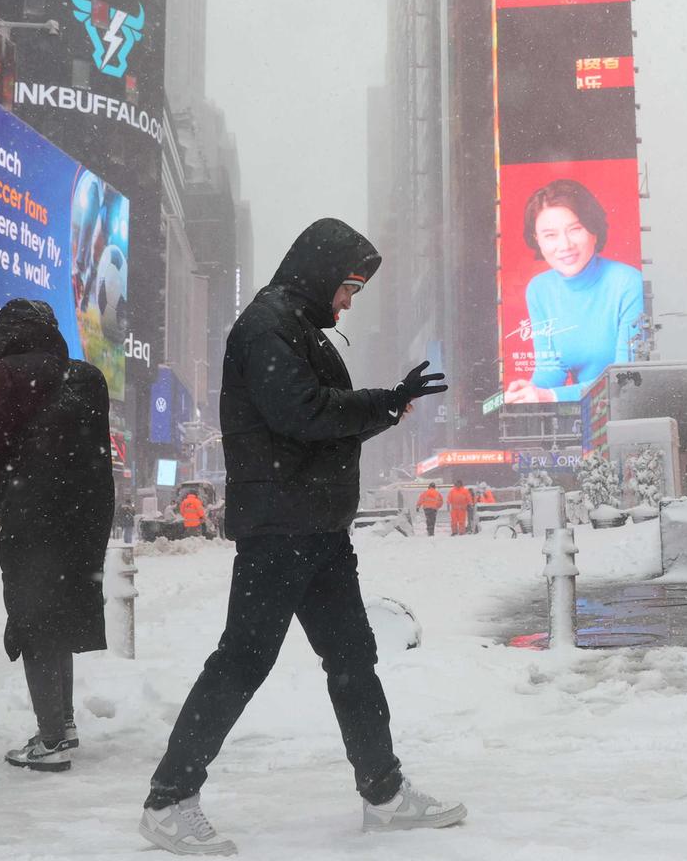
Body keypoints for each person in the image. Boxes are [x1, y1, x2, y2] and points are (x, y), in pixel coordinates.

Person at [140, 218, 464, 855]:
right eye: (348, 288)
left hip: (318, 528)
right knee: (244, 659)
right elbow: (303, 414)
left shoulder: (298, 329)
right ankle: (168, 800)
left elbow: (323, 421)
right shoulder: (266, 327)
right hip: (281, 529)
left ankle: (384, 794)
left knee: (353, 657)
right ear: (320, 275)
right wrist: (380, 401)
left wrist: (387, 406)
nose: (348, 302)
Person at [0, 299, 114, 772]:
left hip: (37, 513)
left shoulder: (7, 375)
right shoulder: (90, 376)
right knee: (61, 616)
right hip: (88, 515)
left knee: (34, 620)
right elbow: (97, 454)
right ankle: (64, 724)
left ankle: (52, 740)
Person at [505, 179, 644, 404]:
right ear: (537, 240)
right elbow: (551, 368)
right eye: (550, 235)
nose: (565, 245)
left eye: (575, 229)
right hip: (582, 411)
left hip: (623, 411)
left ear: (594, 231)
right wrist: (530, 392)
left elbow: (625, 380)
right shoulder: (538, 289)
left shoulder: (627, 283)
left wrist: (550, 396)